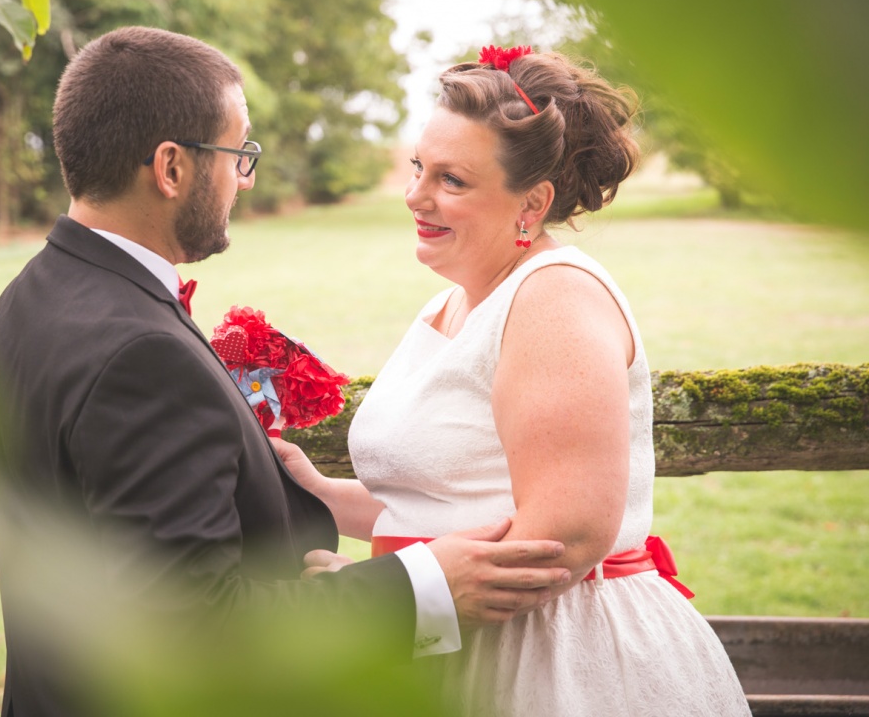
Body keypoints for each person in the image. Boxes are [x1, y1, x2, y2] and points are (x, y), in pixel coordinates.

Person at [0, 27, 572, 716]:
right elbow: (200, 631)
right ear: (171, 168)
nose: (244, 178)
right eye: (237, 154)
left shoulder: (31, 297)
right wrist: (424, 587)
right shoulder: (142, 355)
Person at [273, 46, 751, 715]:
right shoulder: (456, 297)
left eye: (452, 181)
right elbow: (449, 499)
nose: (415, 195)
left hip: (554, 664)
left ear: (533, 202)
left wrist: (377, 592)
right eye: (418, 167)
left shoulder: (555, 300)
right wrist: (318, 494)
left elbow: (562, 540)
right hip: (457, 650)